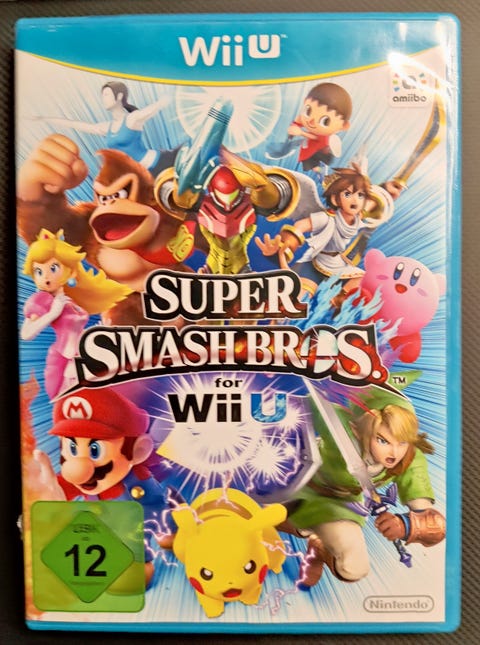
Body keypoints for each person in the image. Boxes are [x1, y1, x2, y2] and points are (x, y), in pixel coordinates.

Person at [285, 388, 446, 587]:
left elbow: (432, 523)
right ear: (357, 430)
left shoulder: (409, 459)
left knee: (354, 568)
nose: (394, 452)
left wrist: (404, 525)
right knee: (261, 514)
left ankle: (321, 547)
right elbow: (305, 401)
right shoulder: (339, 427)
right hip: (297, 482)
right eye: (383, 440)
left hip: (340, 506)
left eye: (402, 442)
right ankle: (305, 528)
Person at [31, 387, 178, 586]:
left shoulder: (136, 481)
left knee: (157, 521)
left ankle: (164, 535)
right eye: (72, 448)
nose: (77, 468)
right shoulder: (80, 477)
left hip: (140, 509)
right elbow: (59, 489)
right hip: (105, 518)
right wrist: (46, 496)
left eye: (95, 450)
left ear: (138, 450)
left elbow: (140, 520)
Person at [21, 228, 131, 398]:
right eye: (39, 271)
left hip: (82, 354)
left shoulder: (69, 301)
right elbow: (26, 334)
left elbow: (75, 331)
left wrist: (99, 331)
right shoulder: (43, 300)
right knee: (71, 398)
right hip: (64, 359)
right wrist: (53, 313)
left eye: (53, 268)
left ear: (70, 271)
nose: (45, 277)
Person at [33, 81, 175, 175]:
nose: (103, 99)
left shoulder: (132, 119)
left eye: (106, 94)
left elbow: (155, 107)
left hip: (157, 164)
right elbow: (76, 125)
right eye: (102, 96)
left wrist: (169, 96)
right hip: (138, 174)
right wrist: (45, 118)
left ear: (119, 96)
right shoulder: (106, 127)